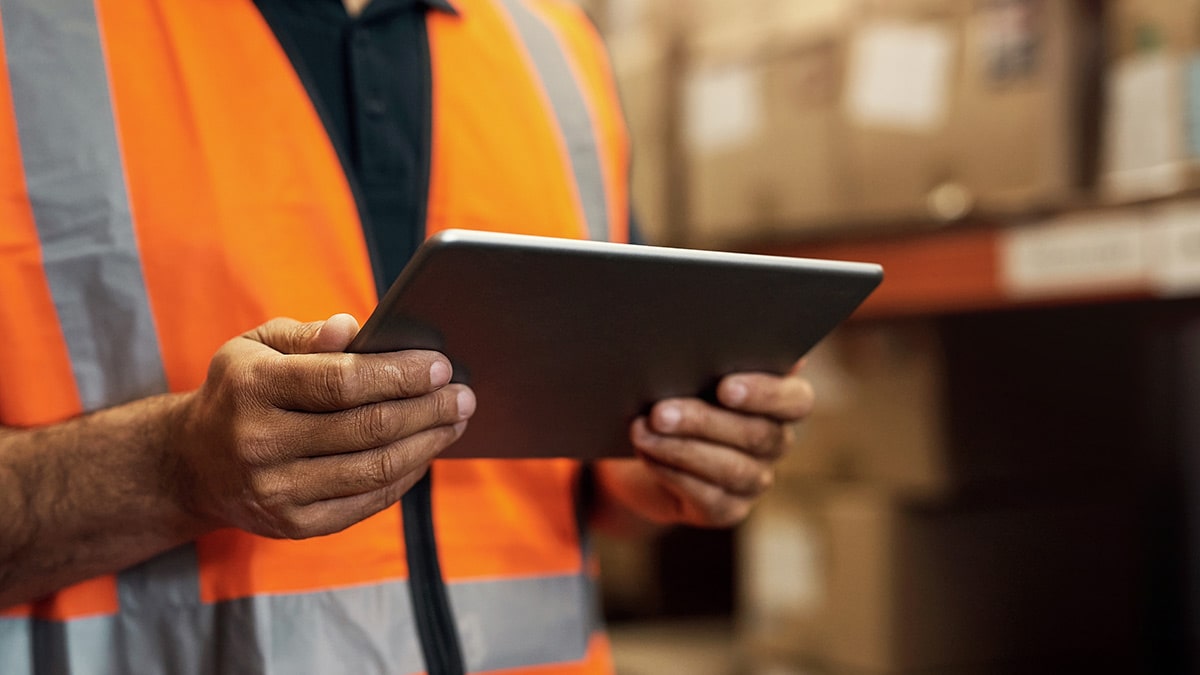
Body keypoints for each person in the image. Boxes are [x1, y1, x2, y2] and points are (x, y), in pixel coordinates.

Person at [0, 0, 815, 673]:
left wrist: (663, 464)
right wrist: (170, 468)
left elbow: (593, 485)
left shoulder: (555, 47)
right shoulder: (31, 34)